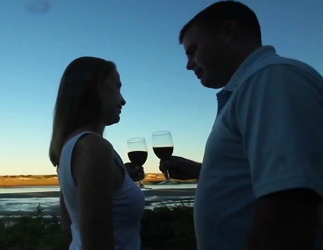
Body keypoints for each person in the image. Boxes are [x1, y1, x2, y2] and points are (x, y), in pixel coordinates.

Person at [160, 1, 323, 249]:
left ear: (228, 32)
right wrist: (203, 172)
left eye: (193, 51)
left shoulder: (272, 79)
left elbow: (288, 207)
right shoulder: (253, 86)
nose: (189, 64)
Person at [49, 56, 145, 250]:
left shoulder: (69, 149)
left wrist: (120, 176)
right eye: (117, 87)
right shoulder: (94, 147)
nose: (123, 100)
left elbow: (69, 226)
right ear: (93, 89)